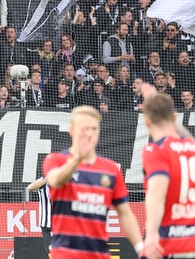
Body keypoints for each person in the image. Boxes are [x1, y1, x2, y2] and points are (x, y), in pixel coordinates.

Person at [42, 106, 144, 259]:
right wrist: (77, 158)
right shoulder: (56, 160)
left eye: (93, 128)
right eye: (84, 128)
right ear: (72, 130)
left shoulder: (111, 169)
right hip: (65, 254)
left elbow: (125, 213)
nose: (89, 133)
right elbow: (55, 181)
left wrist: (141, 247)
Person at [139, 87, 195, 259]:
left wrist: (151, 234)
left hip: (169, 239)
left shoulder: (154, 149)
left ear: (147, 122)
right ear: (174, 118)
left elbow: (157, 192)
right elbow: (186, 138)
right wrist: (159, 106)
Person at [26, 176, 52, 256]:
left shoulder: (67, 179)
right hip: (47, 225)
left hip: (63, 225)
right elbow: (30, 187)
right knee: (52, 253)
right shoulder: (43, 181)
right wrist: (48, 179)